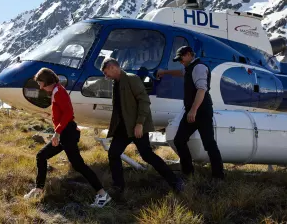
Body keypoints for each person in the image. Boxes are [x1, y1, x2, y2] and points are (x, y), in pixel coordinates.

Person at [23, 67, 112, 208]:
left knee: (79, 165)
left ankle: (103, 195)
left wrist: (57, 132)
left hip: (67, 133)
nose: (40, 87)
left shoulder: (59, 92)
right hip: (65, 132)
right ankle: (38, 189)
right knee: (41, 156)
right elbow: (63, 112)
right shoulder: (56, 91)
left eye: (40, 83)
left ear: (46, 82)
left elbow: (68, 113)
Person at [100, 57, 184, 195]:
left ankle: (175, 182)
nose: (106, 76)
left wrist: (139, 124)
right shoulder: (116, 83)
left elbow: (144, 101)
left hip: (136, 127)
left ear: (112, 68)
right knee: (113, 154)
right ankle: (118, 187)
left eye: (106, 72)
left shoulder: (132, 79)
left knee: (147, 156)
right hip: (123, 128)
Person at [157, 46, 225, 180]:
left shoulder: (199, 68)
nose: (180, 61)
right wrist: (165, 72)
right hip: (192, 110)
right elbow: (181, 72)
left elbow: (201, 90)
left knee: (209, 143)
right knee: (179, 140)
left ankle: (219, 175)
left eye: (181, 58)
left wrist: (193, 111)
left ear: (189, 55)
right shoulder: (190, 67)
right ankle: (188, 173)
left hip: (202, 111)